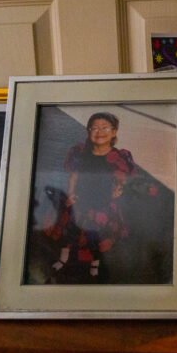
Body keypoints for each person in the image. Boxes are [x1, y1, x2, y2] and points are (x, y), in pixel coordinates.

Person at [51, 112, 137, 280]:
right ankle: (63, 259)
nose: (100, 132)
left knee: (95, 236)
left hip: (102, 201)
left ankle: (95, 264)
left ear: (114, 132)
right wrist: (70, 195)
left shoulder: (119, 156)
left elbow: (122, 179)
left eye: (105, 128)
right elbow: (74, 176)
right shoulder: (80, 152)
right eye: (95, 128)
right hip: (79, 200)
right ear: (88, 132)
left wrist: (118, 191)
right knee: (69, 233)